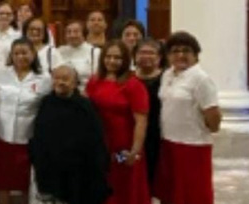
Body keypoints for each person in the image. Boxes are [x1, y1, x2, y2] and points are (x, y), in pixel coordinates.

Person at [155, 32, 221, 204]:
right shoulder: (167, 74)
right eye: (175, 51)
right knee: (172, 193)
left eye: (186, 51)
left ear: (195, 55)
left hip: (193, 146)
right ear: (168, 55)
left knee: (193, 194)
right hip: (169, 143)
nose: (181, 55)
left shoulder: (201, 79)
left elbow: (213, 116)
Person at [30, 65, 110, 204]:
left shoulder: (85, 106)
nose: (61, 82)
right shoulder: (46, 103)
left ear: (74, 83)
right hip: (51, 167)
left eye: (65, 79)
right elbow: (39, 135)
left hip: (78, 170)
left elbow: (95, 139)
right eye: (57, 78)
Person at [0, 38, 51, 204]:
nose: (20, 56)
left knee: (25, 180)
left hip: (28, 138)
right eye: (16, 53)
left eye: (24, 52)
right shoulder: (1, 75)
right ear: (11, 55)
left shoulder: (44, 79)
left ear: (33, 54)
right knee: (3, 179)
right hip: (2, 135)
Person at [85, 41, 150, 204]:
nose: (112, 61)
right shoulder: (94, 81)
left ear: (125, 60)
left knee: (123, 188)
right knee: (103, 186)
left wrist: (135, 151)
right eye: (108, 56)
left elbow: (141, 121)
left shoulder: (133, 85)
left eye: (117, 57)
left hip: (124, 147)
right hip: (100, 145)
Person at [133, 39, 164, 189]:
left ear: (159, 57)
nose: (146, 56)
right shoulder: (128, 78)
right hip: (133, 134)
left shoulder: (167, 78)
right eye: (142, 52)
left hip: (159, 135)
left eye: (151, 53)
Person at [57, 20, 100, 88]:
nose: (72, 35)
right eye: (69, 32)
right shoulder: (59, 51)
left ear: (83, 34)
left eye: (76, 32)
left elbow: (97, 76)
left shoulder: (95, 52)